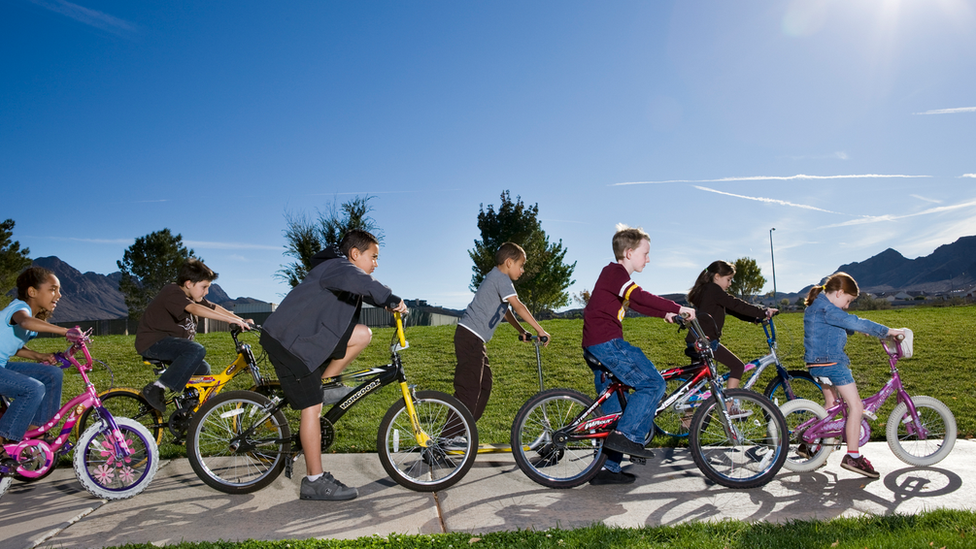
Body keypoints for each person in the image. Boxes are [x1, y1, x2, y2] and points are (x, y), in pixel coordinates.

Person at [260, 229, 407, 501]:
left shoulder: (340, 272)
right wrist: (390, 298)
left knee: (363, 334)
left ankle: (326, 383)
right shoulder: (338, 267)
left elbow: (353, 298)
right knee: (312, 410)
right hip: (289, 344)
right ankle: (314, 481)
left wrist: (383, 304)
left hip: (309, 339)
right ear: (355, 254)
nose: (376, 263)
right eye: (373, 257)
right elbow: (363, 281)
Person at [581, 224, 695, 485]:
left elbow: (637, 303)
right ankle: (629, 438)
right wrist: (679, 307)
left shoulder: (617, 279)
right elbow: (640, 295)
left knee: (617, 413)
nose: (648, 259)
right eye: (645, 253)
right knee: (653, 382)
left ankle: (609, 469)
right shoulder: (614, 272)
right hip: (607, 344)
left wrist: (665, 313)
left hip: (597, 345)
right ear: (629, 252)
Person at [803, 272, 903, 479]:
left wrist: (854, 330)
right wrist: (887, 331)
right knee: (856, 406)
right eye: (848, 300)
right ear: (839, 293)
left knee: (831, 405)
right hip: (832, 363)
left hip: (816, 364)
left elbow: (834, 326)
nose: (847, 305)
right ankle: (853, 456)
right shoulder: (827, 308)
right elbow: (851, 320)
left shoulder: (818, 306)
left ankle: (809, 444)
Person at [453, 242, 550, 428]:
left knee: (484, 386)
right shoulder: (501, 278)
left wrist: (521, 330)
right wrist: (540, 330)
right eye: (521, 265)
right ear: (508, 262)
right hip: (470, 336)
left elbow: (506, 311)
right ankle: (449, 436)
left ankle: (465, 429)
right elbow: (518, 306)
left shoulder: (496, 277)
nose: (522, 270)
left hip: (474, 339)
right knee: (469, 388)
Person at [136, 258, 252, 412]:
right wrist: (229, 320)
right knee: (196, 350)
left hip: (171, 345)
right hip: (153, 343)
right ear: (188, 283)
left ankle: (189, 413)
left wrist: (240, 320)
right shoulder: (172, 292)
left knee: (203, 370)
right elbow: (193, 309)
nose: (207, 292)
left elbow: (214, 307)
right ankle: (157, 388)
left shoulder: (191, 295)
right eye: (204, 287)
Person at [1, 267, 82, 464]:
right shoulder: (20, 309)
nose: (59, 295)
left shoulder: (31, 317)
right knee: (32, 388)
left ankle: (34, 434)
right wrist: (65, 331)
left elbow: (11, 345)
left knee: (52, 374)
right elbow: (25, 323)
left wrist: (39, 355)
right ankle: (4, 444)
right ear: (32, 292)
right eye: (53, 289)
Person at [686, 260, 776, 411]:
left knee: (699, 381)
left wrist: (755, 318)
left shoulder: (706, 290)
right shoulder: (713, 290)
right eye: (728, 279)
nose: (730, 283)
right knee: (737, 366)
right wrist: (763, 312)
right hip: (706, 341)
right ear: (717, 276)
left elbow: (733, 310)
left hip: (696, 339)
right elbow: (735, 304)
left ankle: (687, 420)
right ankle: (728, 406)